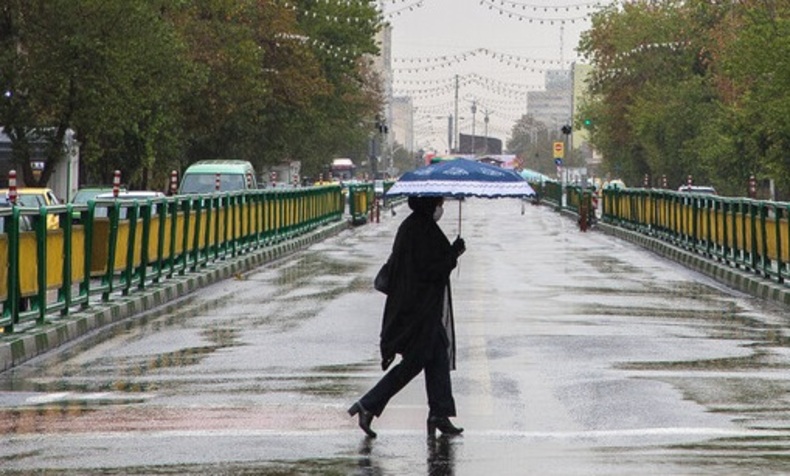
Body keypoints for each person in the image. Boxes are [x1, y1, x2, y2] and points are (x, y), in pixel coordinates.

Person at [348, 195, 466, 438]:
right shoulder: (420, 229)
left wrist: (450, 254)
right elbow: (430, 270)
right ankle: (368, 404)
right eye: (439, 204)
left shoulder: (415, 226)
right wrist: (453, 253)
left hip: (419, 309)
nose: (440, 208)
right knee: (415, 362)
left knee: (437, 354)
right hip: (417, 311)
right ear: (429, 204)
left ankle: (439, 414)